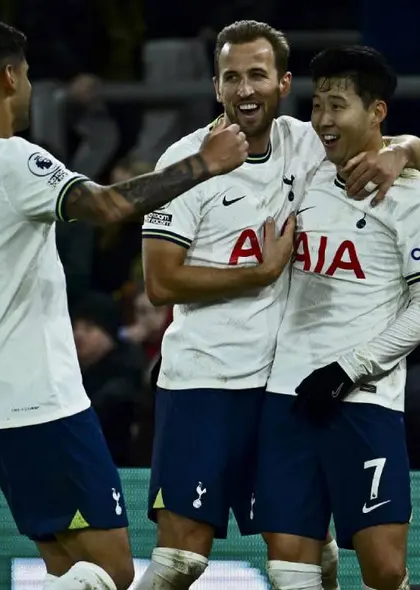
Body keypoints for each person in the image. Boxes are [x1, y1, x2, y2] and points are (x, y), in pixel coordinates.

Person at [0, 18, 251, 590]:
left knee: (67, 570)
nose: (26, 88)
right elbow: (104, 206)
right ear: (8, 76)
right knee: (113, 572)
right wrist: (205, 163)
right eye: (25, 76)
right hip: (41, 398)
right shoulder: (13, 161)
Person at [136, 21, 420, 589]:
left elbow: (375, 129)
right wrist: (261, 271)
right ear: (215, 86)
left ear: (281, 82)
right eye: (231, 77)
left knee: (318, 561)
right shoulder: (185, 159)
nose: (245, 89)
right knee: (181, 560)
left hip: (287, 389)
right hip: (208, 378)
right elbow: (160, 284)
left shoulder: (308, 142)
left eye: (257, 75)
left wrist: (404, 150)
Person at [253, 46, 416, 590]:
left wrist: (352, 368)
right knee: (288, 570)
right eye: (317, 104)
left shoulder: (409, 195)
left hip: (363, 398)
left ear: (377, 112)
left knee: (385, 569)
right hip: (287, 394)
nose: (323, 119)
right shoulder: (303, 174)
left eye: (338, 105)